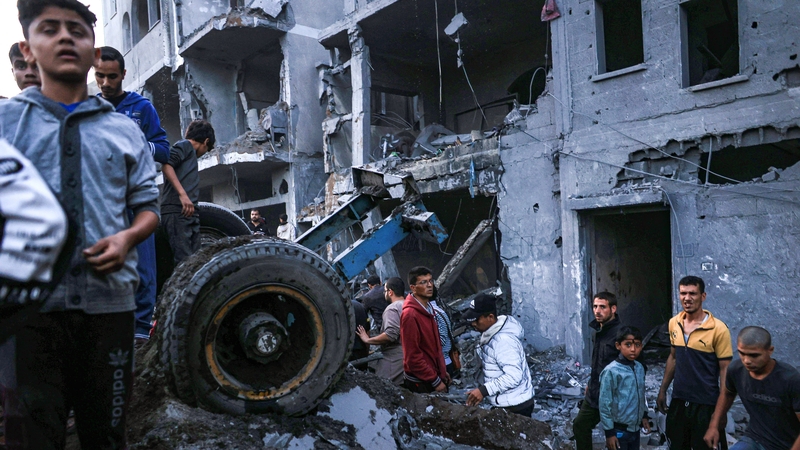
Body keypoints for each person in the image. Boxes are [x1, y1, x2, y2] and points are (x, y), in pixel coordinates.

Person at [0, 1, 159, 447]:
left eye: (77, 29)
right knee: (31, 436)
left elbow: (148, 207)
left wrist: (127, 237)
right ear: (28, 50)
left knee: (105, 434)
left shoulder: (124, 130)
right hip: (28, 314)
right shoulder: (6, 123)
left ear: (94, 52)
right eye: (49, 29)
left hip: (109, 310)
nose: (66, 37)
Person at [94, 45, 170, 346]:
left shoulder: (141, 108)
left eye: (112, 77)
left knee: (142, 264)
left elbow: (164, 149)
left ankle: (140, 330)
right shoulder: (89, 110)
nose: (105, 83)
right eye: (99, 76)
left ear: (123, 74)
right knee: (103, 263)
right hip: (101, 201)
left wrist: (137, 144)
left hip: (136, 198)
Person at [658, 276, 732, 450]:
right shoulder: (673, 323)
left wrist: (721, 411)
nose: (687, 298)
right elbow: (674, 358)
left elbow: (725, 371)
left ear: (703, 296)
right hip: (679, 400)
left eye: (692, 293)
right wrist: (662, 390)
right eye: (683, 293)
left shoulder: (718, 329)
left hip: (706, 404)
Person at [704, 327, 800, 450]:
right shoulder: (736, 370)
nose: (747, 360)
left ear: (770, 351)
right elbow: (727, 393)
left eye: (754, 355)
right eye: (742, 353)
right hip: (754, 438)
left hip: (787, 444)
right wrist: (714, 425)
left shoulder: (790, 380)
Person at [465, 293, 535, 417]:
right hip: (508, 402)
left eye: (476, 320)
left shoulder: (504, 341)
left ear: (490, 317)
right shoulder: (490, 333)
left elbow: (514, 376)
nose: (473, 324)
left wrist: (483, 391)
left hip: (515, 406)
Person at [573, 291, 624, 450]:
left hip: (613, 397)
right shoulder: (599, 331)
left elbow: (634, 367)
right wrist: (591, 382)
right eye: (595, 306)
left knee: (616, 439)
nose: (597, 311)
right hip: (595, 393)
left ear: (613, 309)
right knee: (580, 425)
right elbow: (598, 363)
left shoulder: (622, 334)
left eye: (602, 307)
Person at [161, 120, 215, 264]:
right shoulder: (184, 145)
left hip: (189, 213)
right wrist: (183, 195)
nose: (203, 154)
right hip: (176, 211)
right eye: (206, 149)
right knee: (183, 262)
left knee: (194, 261)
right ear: (206, 141)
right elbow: (166, 165)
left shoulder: (190, 154)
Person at [599, 326, 650, 450]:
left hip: (635, 429)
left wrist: (644, 415)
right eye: (628, 345)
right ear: (618, 346)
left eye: (637, 345)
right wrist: (609, 433)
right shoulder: (611, 371)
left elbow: (640, 393)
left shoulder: (639, 367)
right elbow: (605, 404)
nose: (633, 349)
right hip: (618, 430)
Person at [401, 266, 449, 394]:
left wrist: (442, 371)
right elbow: (412, 357)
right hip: (421, 382)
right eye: (423, 282)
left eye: (430, 281)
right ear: (413, 288)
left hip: (432, 375)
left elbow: (432, 346)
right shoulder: (410, 315)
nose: (429, 285)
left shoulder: (428, 308)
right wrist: (435, 380)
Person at [356, 277, 406, 385]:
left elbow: (390, 335)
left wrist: (367, 340)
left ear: (390, 292)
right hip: (410, 354)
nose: (383, 293)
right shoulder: (409, 305)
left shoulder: (392, 309)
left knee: (380, 386)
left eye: (385, 291)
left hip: (395, 357)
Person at [349, 299, 369, 363]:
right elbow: (367, 331)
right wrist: (367, 351)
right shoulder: (360, 306)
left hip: (342, 353)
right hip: (360, 350)